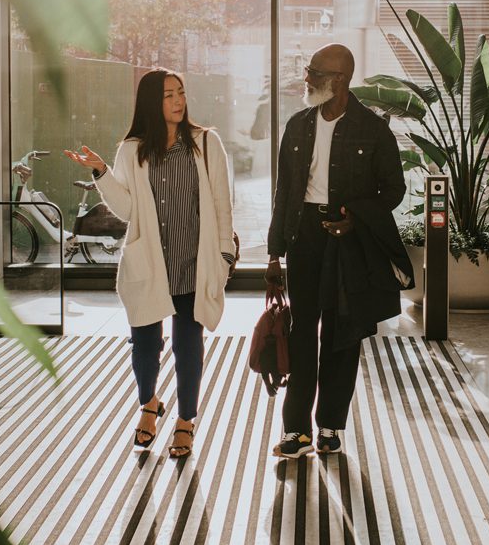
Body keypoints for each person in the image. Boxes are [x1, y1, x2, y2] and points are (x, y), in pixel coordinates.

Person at [64, 68, 234, 459]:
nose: (178, 101)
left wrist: (224, 255)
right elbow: (126, 209)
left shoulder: (207, 143)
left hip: (195, 260)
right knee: (144, 345)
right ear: (150, 103)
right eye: (168, 95)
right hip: (149, 262)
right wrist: (101, 172)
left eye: (181, 93)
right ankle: (149, 405)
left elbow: (223, 205)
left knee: (187, 344)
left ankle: (186, 421)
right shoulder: (132, 150)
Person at [266, 44, 412, 458]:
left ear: (340, 81)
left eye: (314, 73)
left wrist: (356, 219)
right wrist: (275, 255)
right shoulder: (297, 126)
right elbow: (283, 193)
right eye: (308, 71)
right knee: (301, 334)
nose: (307, 79)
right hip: (304, 238)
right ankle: (296, 431)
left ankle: (330, 426)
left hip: (349, 241)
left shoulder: (373, 130)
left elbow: (394, 190)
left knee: (342, 335)